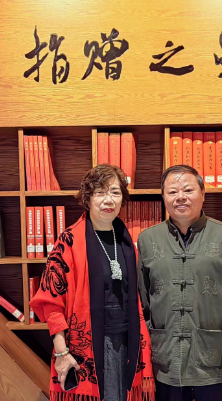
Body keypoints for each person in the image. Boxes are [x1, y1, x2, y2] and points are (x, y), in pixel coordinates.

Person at [30, 164, 154, 401]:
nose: (109, 200)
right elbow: (50, 302)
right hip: (88, 346)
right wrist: (61, 351)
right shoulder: (68, 241)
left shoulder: (127, 241)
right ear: (87, 199)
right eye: (100, 192)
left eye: (115, 192)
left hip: (126, 340)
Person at [137, 165, 222, 401]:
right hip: (165, 360)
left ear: (203, 194)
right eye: (172, 192)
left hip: (214, 360)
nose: (180, 197)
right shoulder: (147, 240)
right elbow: (143, 303)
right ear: (163, 197)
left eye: (188, 190)